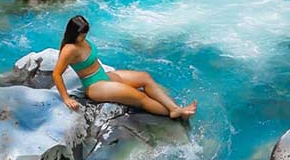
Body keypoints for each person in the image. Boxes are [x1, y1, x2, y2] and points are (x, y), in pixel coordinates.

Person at [52, 15, 197, 119]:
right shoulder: (69, 49)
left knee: (144, 77)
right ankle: (175, 114)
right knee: (140, 98)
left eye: (85, 34)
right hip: (95, 85)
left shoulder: (81, 41)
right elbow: (56, 74)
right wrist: (66, 98)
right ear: (73, 33)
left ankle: (174, 109)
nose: (84, 37)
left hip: (104, 76)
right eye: (82, 35)